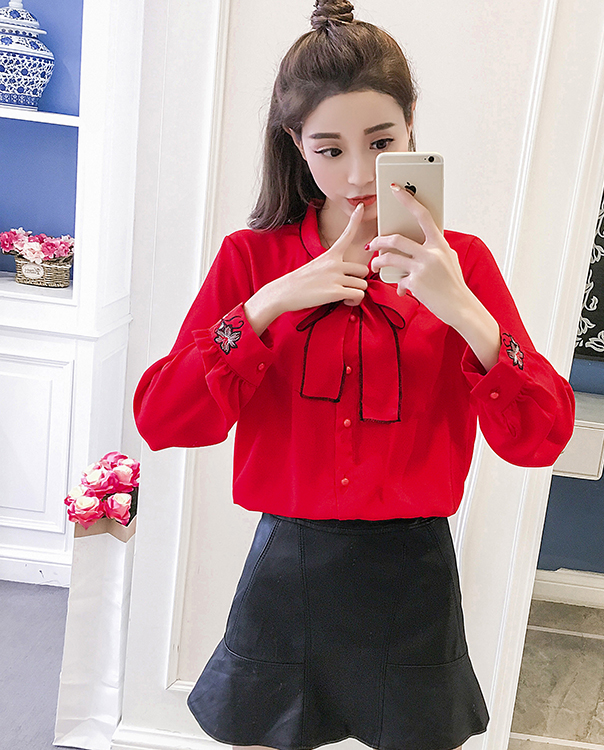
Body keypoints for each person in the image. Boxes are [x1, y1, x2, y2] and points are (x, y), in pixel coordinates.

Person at [133, 1, 575, 749]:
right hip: (290, 566)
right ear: (295, 145)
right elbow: (164, 418)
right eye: (330, 148)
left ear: (411, 129)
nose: (360, 173)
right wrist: (267, 305)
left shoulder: (462, 265)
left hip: (413, 572)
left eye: (381, 142)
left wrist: (466, 312)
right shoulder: (253, 260)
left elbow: (541, 439)